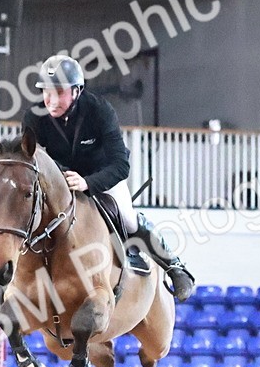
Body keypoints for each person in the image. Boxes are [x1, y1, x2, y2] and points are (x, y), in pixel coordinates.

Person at [20, 54, 195, 302]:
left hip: (101, 177)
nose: (50, 100)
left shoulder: (99, 111)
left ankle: (174, 267)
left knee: (129, 219)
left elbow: (120, 165)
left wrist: (87, 183)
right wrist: (61, 176)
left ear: (77, 91)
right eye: (46, 92)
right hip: (60, 182)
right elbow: (33, 158)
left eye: (59, 92)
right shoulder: (34, 118)